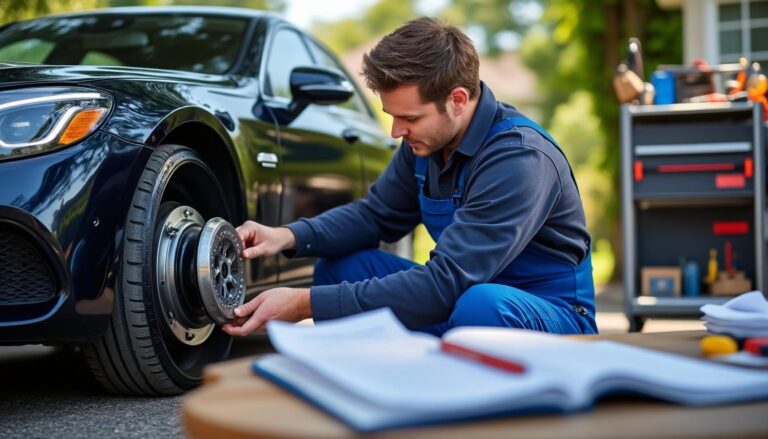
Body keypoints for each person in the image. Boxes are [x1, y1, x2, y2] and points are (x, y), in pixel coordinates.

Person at [222, 17, 598, 337]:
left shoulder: (520, 158)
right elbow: (374, 216)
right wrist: (288, 236)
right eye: (392, 115)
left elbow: (446, 283)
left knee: (479, 305)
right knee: (341, 268)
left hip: (550, 316)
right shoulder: (426, 144)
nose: (395, 131)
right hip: (463, 304)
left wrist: (303, 304)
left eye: (410, 118)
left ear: (458, 100)